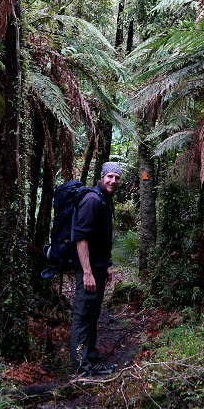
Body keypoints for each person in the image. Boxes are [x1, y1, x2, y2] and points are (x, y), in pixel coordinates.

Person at [69, 161, 122, 377]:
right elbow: (81, 238)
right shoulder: (92, 200)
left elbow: (100, 238)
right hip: (88, 270)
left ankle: (90, 359)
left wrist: (106, 266)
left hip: (98, 268)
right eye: (109, 176)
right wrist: (88, 272)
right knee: (83, 316)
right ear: (101, 177)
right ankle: (82, 369)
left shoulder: (104, 199)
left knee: (92, 315)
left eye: (117, 177)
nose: (113, 181)